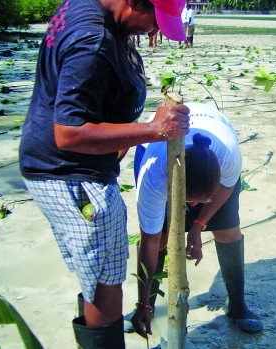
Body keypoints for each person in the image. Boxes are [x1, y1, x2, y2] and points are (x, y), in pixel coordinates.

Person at [17, 0, 189, 347]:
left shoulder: (88, 8)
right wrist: (154, 130)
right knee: (104, 283)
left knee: (95, 273)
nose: (153, 30)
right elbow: (69, 133)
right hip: (71, 176)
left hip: (67, 169)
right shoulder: (93, 40)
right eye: (154, 20)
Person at [131, 103, 264, 337]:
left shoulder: (228, 156)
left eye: (204, 200)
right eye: (189, 200)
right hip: (157, 146)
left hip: (214, 142)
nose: (192, 207)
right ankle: (148, 305)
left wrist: (198, 225)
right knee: (159, 239)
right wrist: (142, 302)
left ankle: (237, 305)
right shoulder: (155, 176)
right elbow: (149, 241)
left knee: (228, 231)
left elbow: (226, 186)